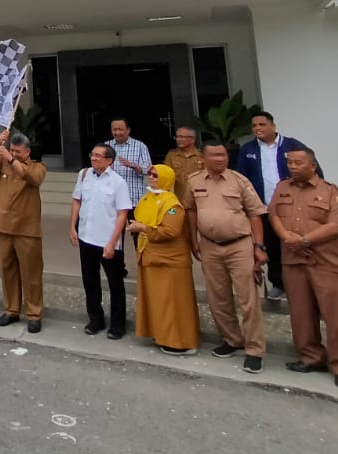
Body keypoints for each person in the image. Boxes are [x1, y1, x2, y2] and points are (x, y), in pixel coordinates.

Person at [269, 147, 338, 390]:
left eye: (298, 163)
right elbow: (274, 214)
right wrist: (287, 237)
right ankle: (311, 356)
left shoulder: (331, 192)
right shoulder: (282, 187)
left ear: (313, 166)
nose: (293, 167)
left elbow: (337, 225)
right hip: (294, 260)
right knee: (301, 313)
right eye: (290, 163)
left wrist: (304, 240)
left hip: (325, 262)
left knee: (336, 316)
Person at [184, 141, 268, 374]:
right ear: (203, 156)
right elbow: (190, 211)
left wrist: (259, 246)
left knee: (248, 300)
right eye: (214, 155)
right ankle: (232, 340)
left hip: (239, 246)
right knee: (217, 297)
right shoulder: (194, 181)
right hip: (210, 246)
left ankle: (254, 350)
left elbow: (255, 214)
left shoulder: (239, 181)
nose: (220, 159)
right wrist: (193, 240)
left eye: (223, 155)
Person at [236, 110, 317, 302]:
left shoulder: (292, 145)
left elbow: (314, 170)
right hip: (264, 208)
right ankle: (279, 283)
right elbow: (241, 178)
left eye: (262, 125)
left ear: (273, 126)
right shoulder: (247, 150)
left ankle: (306, 283)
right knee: (272, 246)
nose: (258, 129)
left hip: (292, 207)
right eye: (254, 126)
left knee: (298, 242)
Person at [128, 163, 199, 354]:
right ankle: (161, 335)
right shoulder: (148, 198)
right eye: (150, 174)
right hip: (151, 256)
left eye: (155, 175)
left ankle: (180, 341)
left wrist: (143, 229)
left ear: (167, 180)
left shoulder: (172, 204)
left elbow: (171, 230)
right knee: (157, 301)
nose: (150, 177)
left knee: (173, 303)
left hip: (169, 261)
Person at [0, 129, 46, 333]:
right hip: (3, 225)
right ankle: (11, 310)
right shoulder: (2, 163)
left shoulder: (38, 167)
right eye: (12, 150)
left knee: (31, 274)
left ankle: (34, 313)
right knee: (7, 270)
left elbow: (31, 178)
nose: (14, 153)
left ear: (27, 152)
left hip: (26, 228)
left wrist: (11, 158)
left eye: (18, 151)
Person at [70, 144, 131, 339]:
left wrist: (113, 242)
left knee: (115, 284)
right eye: (92, 154)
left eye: (98, 156)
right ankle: (95, 318)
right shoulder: (84, 174)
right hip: (86, 237)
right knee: (90, 281)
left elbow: (123, 214)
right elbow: (77, 201)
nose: (94, 158)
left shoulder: (118, 182)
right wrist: (73, 226)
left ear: (109, 160)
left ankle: (117, 324)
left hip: (108, 240)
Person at [106, 117, 152, 227]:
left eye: (120, 129)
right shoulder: (106, 146)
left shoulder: (140, 146)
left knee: (138, 233)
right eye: (114, 130)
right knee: (114, 234)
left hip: (134, 198)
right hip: (112, 198)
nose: (117, 132)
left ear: (128, 130)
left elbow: (148, 170)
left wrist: (132, 165)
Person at [162, 126, 203, 204]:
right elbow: (165, 176)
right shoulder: (172, 155)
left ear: (192, 139)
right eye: (177, 137)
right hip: (179, 200)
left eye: (182, 137)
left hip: (198, 200)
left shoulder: (202, 156)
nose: (178, 139)